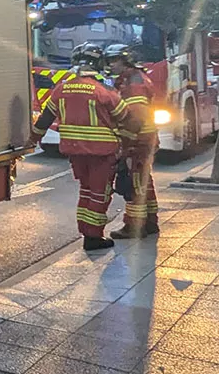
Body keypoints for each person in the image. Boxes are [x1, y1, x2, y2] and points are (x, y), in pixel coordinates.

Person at [31, 44, 142, 251]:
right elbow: (128, 120)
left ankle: (86, 231)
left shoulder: (61, 89)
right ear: (98, 64)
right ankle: (93, 238)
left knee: (86, 191)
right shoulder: (104, 91)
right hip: (102, 153)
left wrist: (31, 142)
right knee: (99, 194)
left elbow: (45, 120)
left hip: (74, 153)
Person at [104, 43, 159, 238]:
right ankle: (150, 222)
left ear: (125, 60)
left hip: (138, 140)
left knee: (135, 183)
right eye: (108, 61)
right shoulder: (133, 78)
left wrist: (125, 146)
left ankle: (134, 227)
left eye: (114, 60)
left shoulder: (133, 83)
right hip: (145, 138)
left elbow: (136, 117)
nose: (110, 65)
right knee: (144, 181)